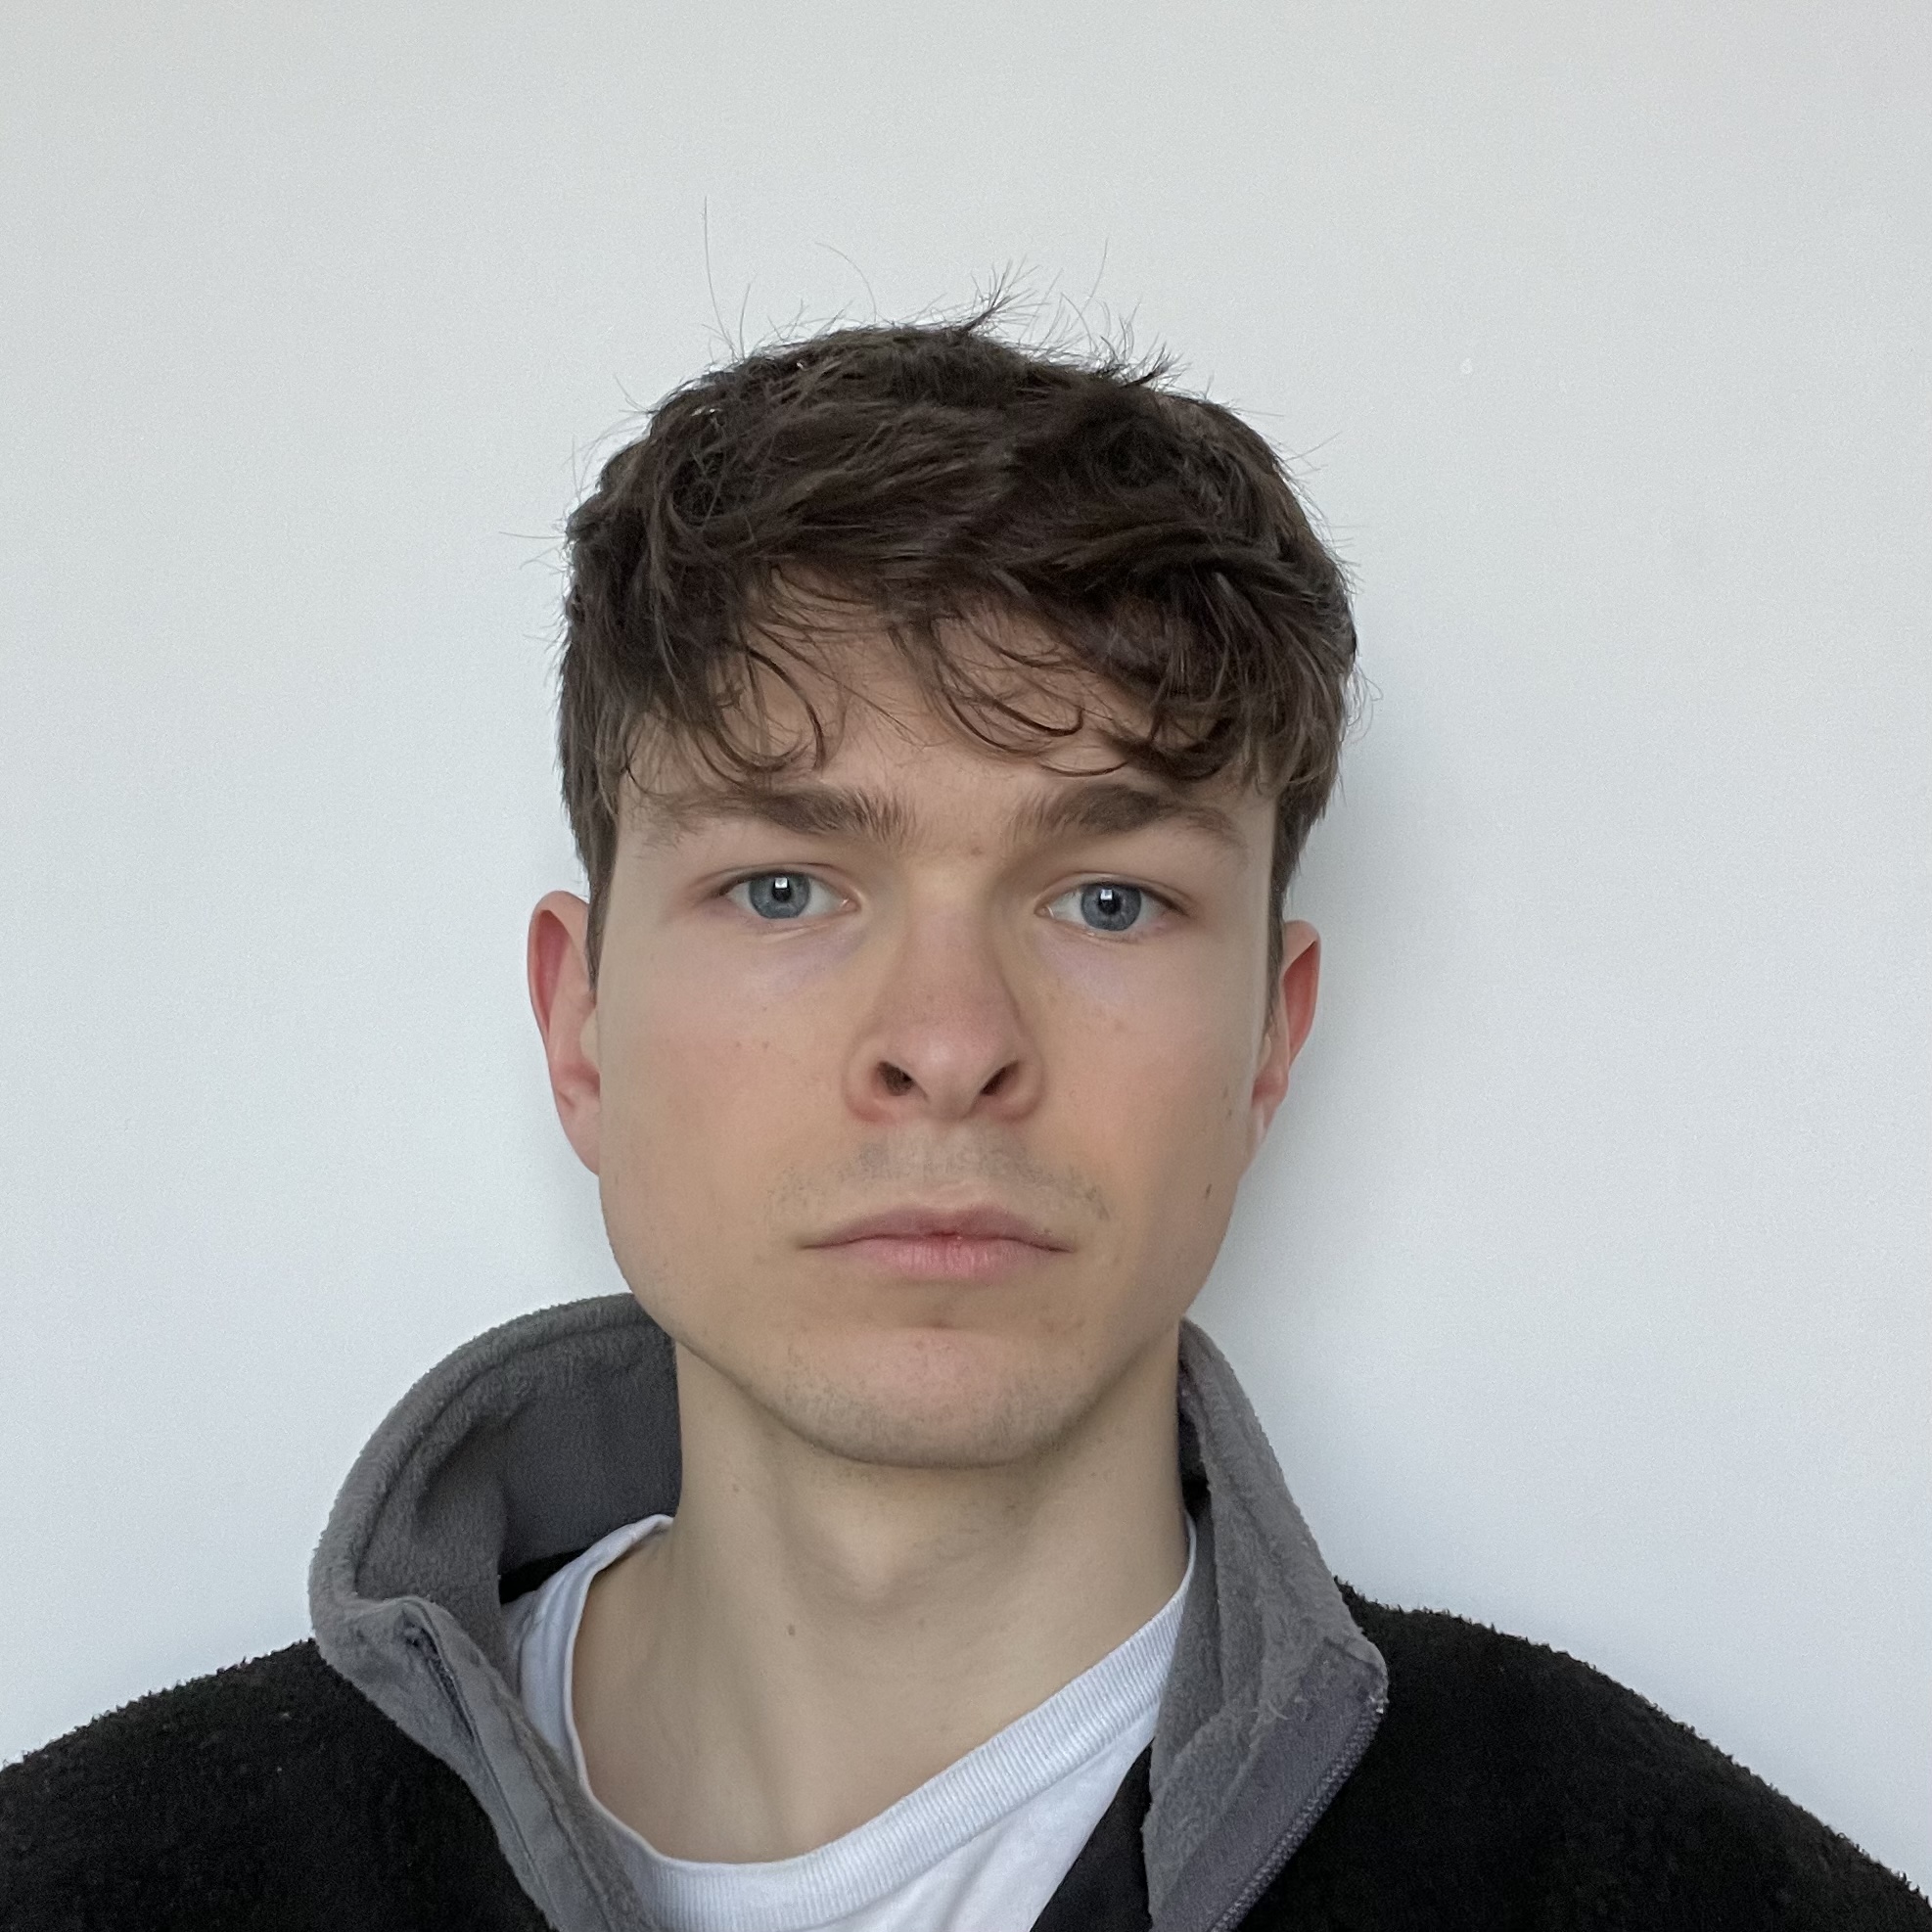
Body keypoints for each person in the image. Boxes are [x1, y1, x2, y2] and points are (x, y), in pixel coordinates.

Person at [2, 316, 1923, 1932]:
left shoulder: (1664, 1892)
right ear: (579, 1028)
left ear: (1270, 1040)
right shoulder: (88, 1880)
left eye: (1107, 899)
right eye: (783, 888)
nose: (946, 1043)